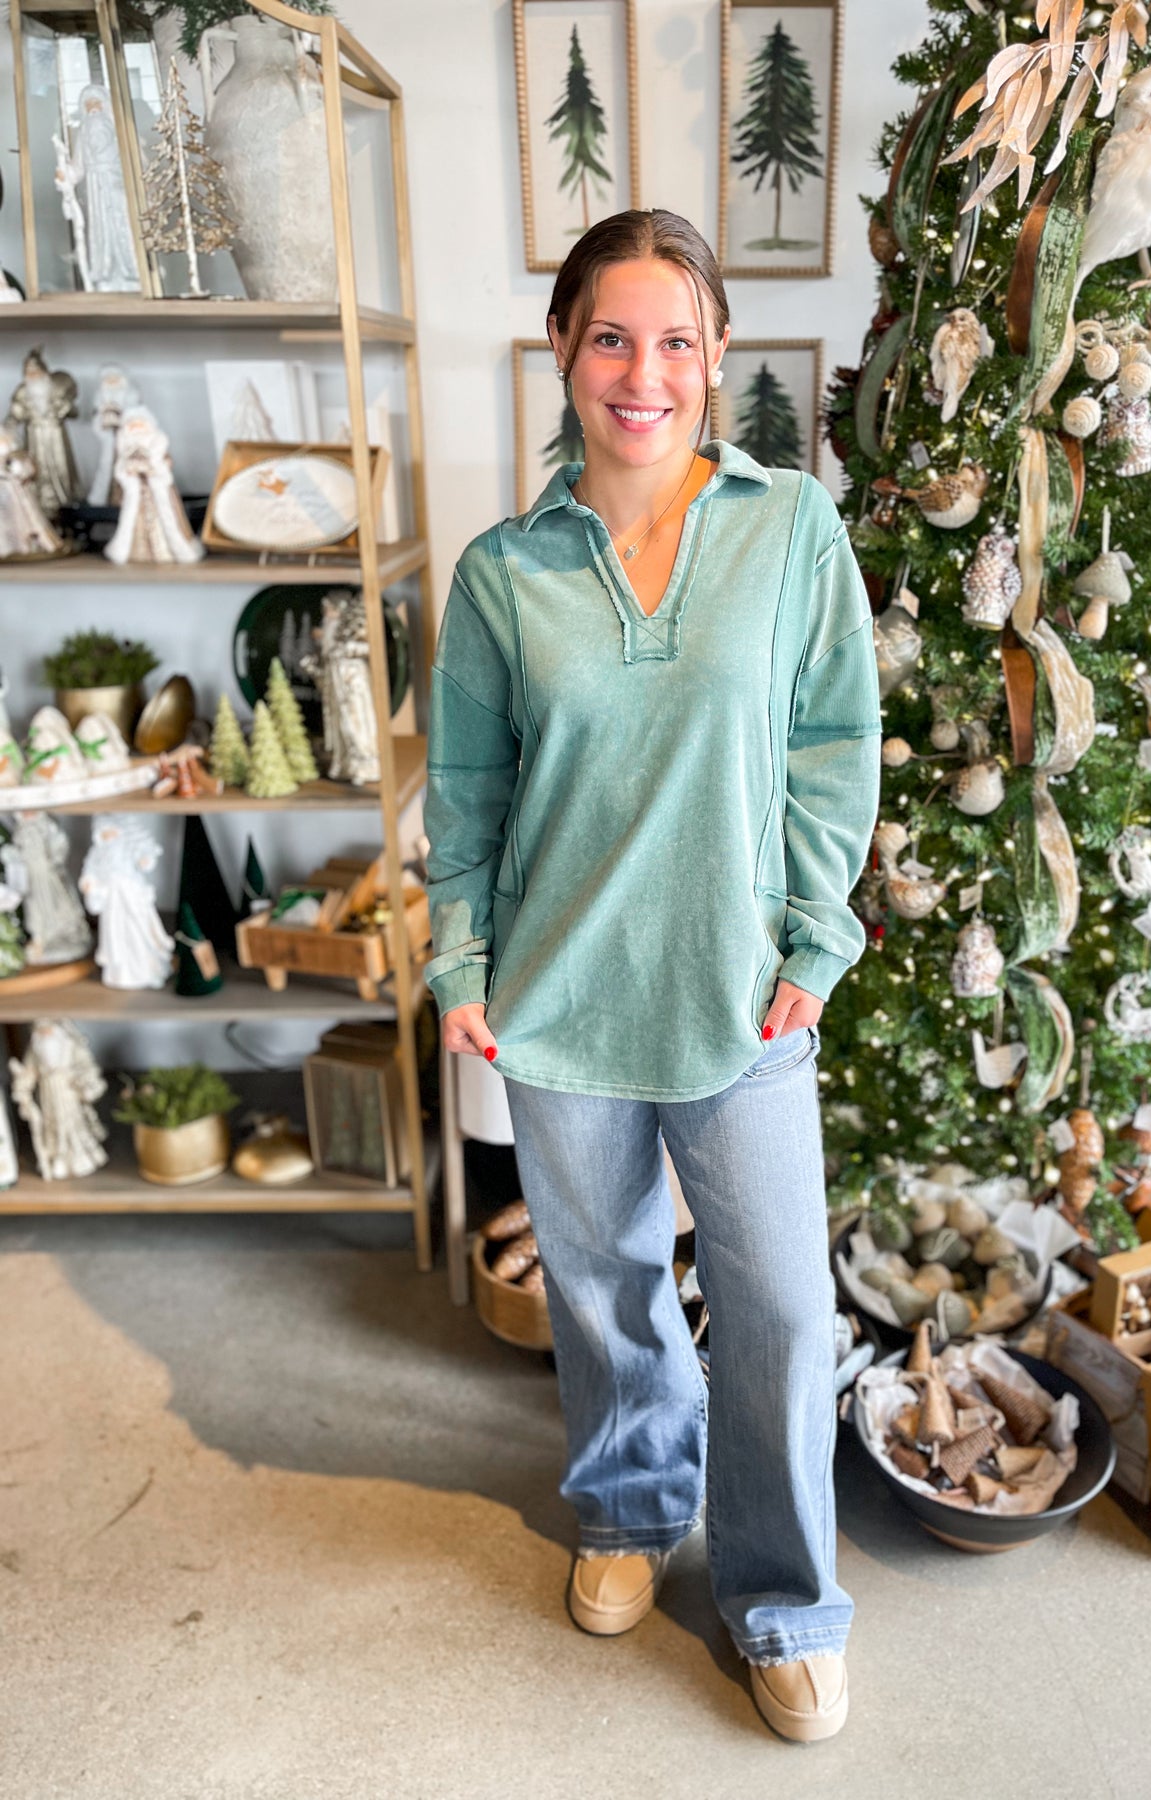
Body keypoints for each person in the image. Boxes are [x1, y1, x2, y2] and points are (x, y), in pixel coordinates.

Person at [425, 209, 881, 1744]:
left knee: (778, 1311)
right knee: (607, 1286)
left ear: (715, 355)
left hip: (736, 993)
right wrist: (459, 956)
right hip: (557, 995)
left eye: (676, 340)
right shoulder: (502, 574)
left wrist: (816, 932)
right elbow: (468, 790)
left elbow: (833, 746)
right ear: (560, 347)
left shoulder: (787, 528)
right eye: (611, 337)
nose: (644, 373)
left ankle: (783, 1596)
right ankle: (627, 1507)